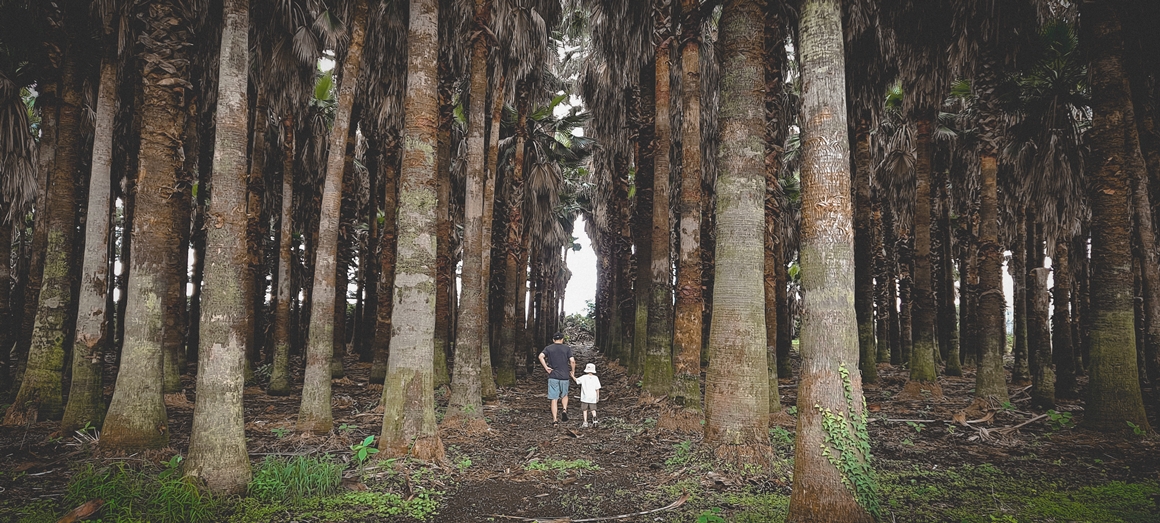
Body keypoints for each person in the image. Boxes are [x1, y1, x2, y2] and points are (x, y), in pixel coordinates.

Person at [538, 332, 575, 426]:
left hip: (553, 375)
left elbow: (540, 356)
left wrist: (546, 367)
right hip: (565, 376)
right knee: (564, 394)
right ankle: (564, 409)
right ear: (562, 339)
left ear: (553, 340)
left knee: (554, 398)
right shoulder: (567, 348)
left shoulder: (549, 348)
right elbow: (572, 361)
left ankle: (555, 420)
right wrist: (573, 371)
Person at [572, 362, 601, 428]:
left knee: (584, 409)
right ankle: (595, 419)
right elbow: (597, 388)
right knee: (593, 409)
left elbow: (577, 381)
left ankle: (585, 422)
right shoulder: (596, 378)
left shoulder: (584, 377)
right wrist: (597, 397)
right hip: (593, 396)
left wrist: (572, 376)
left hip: (585, 397)